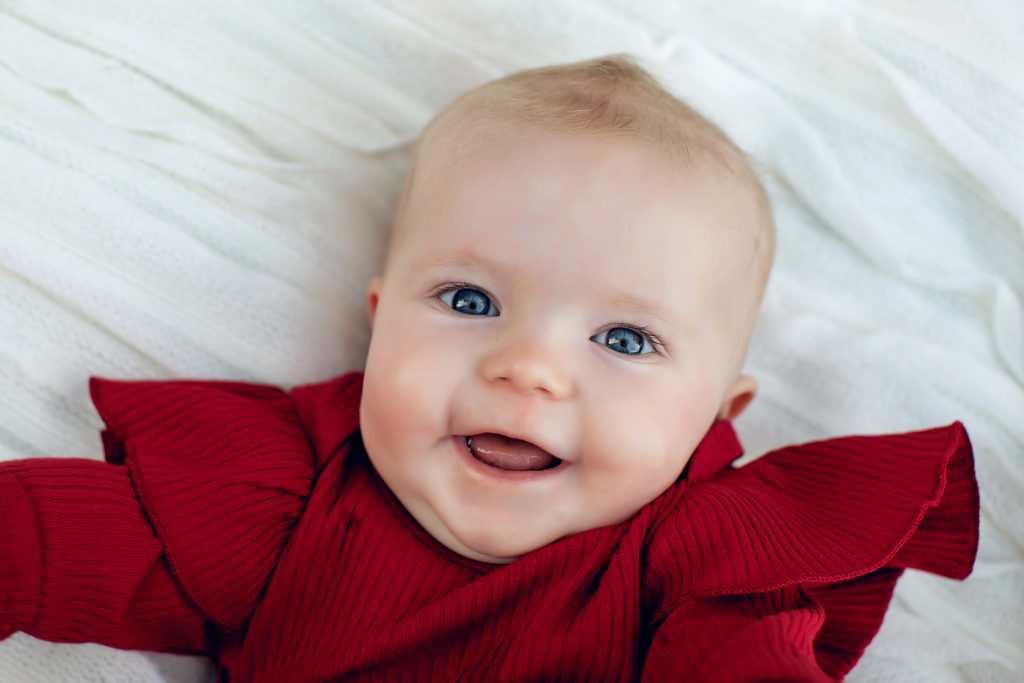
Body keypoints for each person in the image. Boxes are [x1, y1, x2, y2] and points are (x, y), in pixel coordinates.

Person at [0, 56, 978, 682]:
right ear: (380, 323)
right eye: (469, 302)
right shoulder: (288, 507)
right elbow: (32, 538)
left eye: (626, 339)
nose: (529, 368)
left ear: (715, 417)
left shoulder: (694, 573)